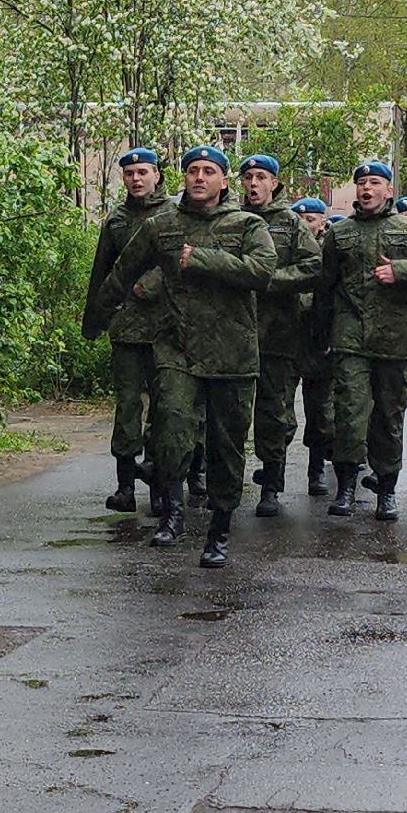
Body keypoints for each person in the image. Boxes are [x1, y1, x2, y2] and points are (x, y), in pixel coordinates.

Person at [87, 146, 275, 568]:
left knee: (227, 446)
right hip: (176, 347)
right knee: (170, 432)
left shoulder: (247, 224)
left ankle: (220, 528)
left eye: (209, 171)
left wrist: (202, 259)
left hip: (232, 352)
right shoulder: (162, 225)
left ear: (224, 181)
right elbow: (120, 272)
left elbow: (261, 273)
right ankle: (172, 515)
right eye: (193, 170)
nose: (199, 178)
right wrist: (99, 317)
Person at [316, 161, 407, 521]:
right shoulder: (340, 233)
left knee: (389, 415)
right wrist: (321, 337)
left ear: (389, 190)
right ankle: (346, 485)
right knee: (349, 412)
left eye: (375, 183)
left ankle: (386, 488)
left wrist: (401, 270)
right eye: (361, 183)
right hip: (350, 335)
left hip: (394, 336)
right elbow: (325, 288)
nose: (367, 189)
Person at [82, 148, 171, 514]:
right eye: (130, 173)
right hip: (126, 329)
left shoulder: (173, 215)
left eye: (143, 172)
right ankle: (125, 486)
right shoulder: (117, 220)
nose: (136, 179)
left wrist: (149, 285)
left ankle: (162, 480)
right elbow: (100, 273)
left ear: (157, 176)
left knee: (166, 407)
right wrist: (95, 321)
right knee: (127, 405)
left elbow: (180, 264)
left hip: (166, 329)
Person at [239, 156, 321, 518]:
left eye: (261, 177)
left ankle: (271, 484)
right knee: (229, 413)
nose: (253, 184)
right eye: (248, 177)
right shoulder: (230, 219)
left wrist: (271, 281)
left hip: (277, 332)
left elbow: (314, 266)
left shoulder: (290, 223)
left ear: (274, 183)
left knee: (273, 411)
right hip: (231, 332)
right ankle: (217, 483)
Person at [290, 197, 333, 494]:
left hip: (319, 340)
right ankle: (272, 477)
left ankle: (316, 470)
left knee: (319, 412)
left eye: (310, 219)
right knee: (278, 412)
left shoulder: (332, 249)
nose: (304, 224)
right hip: (287, 337)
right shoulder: (285, 249)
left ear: (322, 223)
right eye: (300, 219)